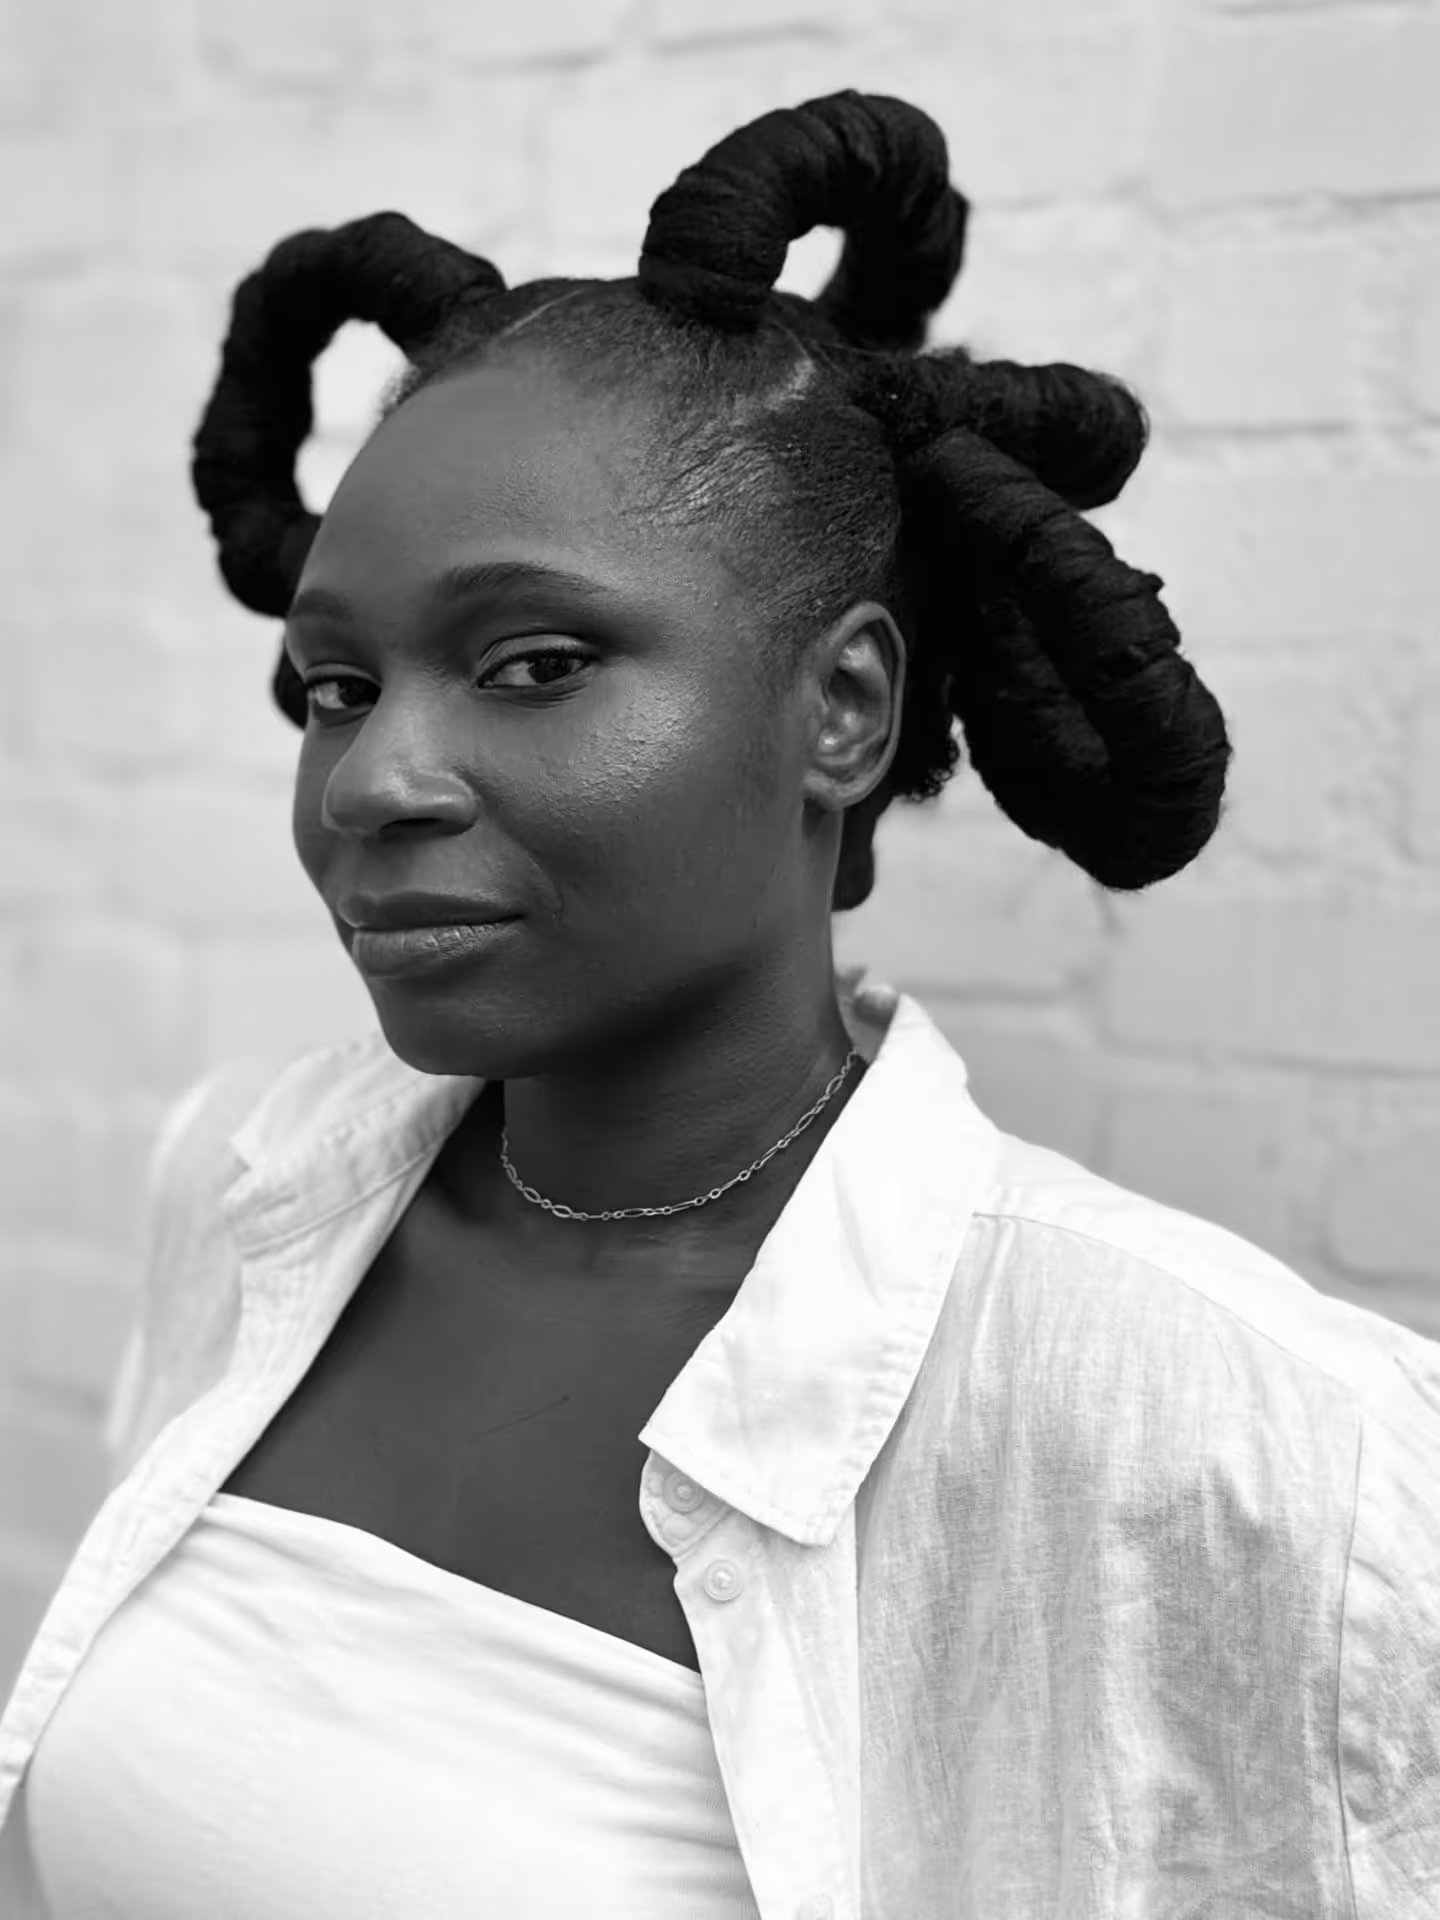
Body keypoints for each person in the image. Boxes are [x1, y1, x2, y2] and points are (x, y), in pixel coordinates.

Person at [0, 88, 1435, 1919]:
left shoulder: (1259, 1463)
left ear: (840, 709)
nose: (371, 782)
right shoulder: (245, 1185)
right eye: (337, 685)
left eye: (534, 663)